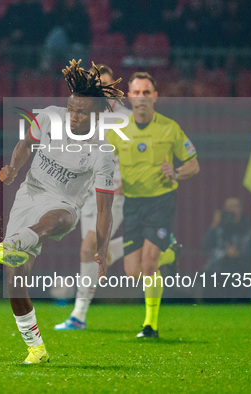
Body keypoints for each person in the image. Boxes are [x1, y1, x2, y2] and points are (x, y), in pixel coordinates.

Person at [0, 60, 123, 364]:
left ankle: (18, 241)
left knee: (60, 218)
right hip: (29, 194)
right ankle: (36, 348)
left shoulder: (102, 152)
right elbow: (25, 144)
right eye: (71, 108)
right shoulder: (48, 117)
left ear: (96, 114)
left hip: (64, 204)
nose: (73, 115)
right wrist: (13, 168)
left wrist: (101, 247)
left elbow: (103, 210)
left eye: (82, 111)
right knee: (15, 281)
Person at [54, 65, 181, 331]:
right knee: (98, 253)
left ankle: (78, 315)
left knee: (89, 246)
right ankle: (159, 243)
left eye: (107, 86)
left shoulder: (125, 119)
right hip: (87, 195)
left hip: (115, 195)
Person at [106, 72, 200, 339]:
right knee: (132, 272)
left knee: (149, 264)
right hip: (133, 205)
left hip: (161, 201)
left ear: (155, 97)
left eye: (147, 92)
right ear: (129, 96)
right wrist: (114, 182)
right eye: (136, 92)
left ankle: (150, 325)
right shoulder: (118, 132)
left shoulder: (170, 128)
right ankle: (172, 252)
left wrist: (177, 173)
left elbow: (193, 164)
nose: (142, 98)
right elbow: (101, 162)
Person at [202, 198, 251, 276]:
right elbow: (205, 246)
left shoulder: (247, 227)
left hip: (239, 271)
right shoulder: (219, 227)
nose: (232, 210)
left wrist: (237, 253)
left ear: (241, 209)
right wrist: (214, 225)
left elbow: (250, 251)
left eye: (235, 206)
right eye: (229, 207)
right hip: (216, 270)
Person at [40, 0, 91, 72]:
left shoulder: (82, 16)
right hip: (61, 50)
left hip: (75, 50)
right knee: (57, 33)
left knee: (77, 48)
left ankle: (79, 74)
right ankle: (45, 66)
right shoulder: (57, 14)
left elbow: (84, 38)